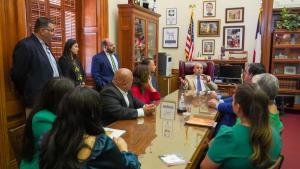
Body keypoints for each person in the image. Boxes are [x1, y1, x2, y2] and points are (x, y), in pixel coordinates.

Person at [40, 87, 141, 169]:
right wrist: (123, 149)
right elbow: (130, 166)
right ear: (93, 114)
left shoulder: (48, 138)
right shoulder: (101, 145)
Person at [200, 83, 282, 169]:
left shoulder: (228, 136)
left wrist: (211, 148)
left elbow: (204, 167)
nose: (232, 103)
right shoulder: (275, 132)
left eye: (233, 100)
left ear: (237, 107)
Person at [20, 78, 75, 169]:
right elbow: (60, 146)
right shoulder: (41, 118)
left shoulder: (61, 112)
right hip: (40, 165)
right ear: (59, 99)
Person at [11, 17, 60, 117]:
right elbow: (18, 75)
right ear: (42, 31)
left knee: (51, 130)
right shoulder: (26, 45)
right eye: (52, 30)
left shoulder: (45, 46)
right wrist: (29, 91)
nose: (54, 33)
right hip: (36, 99)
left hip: (52, 97)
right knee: (38, 130)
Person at [207, 63, 266, 129]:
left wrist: (217, 105)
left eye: (245, 71)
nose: (243, 73)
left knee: (227, 115)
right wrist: (219, 98)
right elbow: (233, 99)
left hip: (241, 124)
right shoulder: (253, 87)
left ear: (251, 75)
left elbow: (233, 106)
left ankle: (217, 134)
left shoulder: (253, 91)